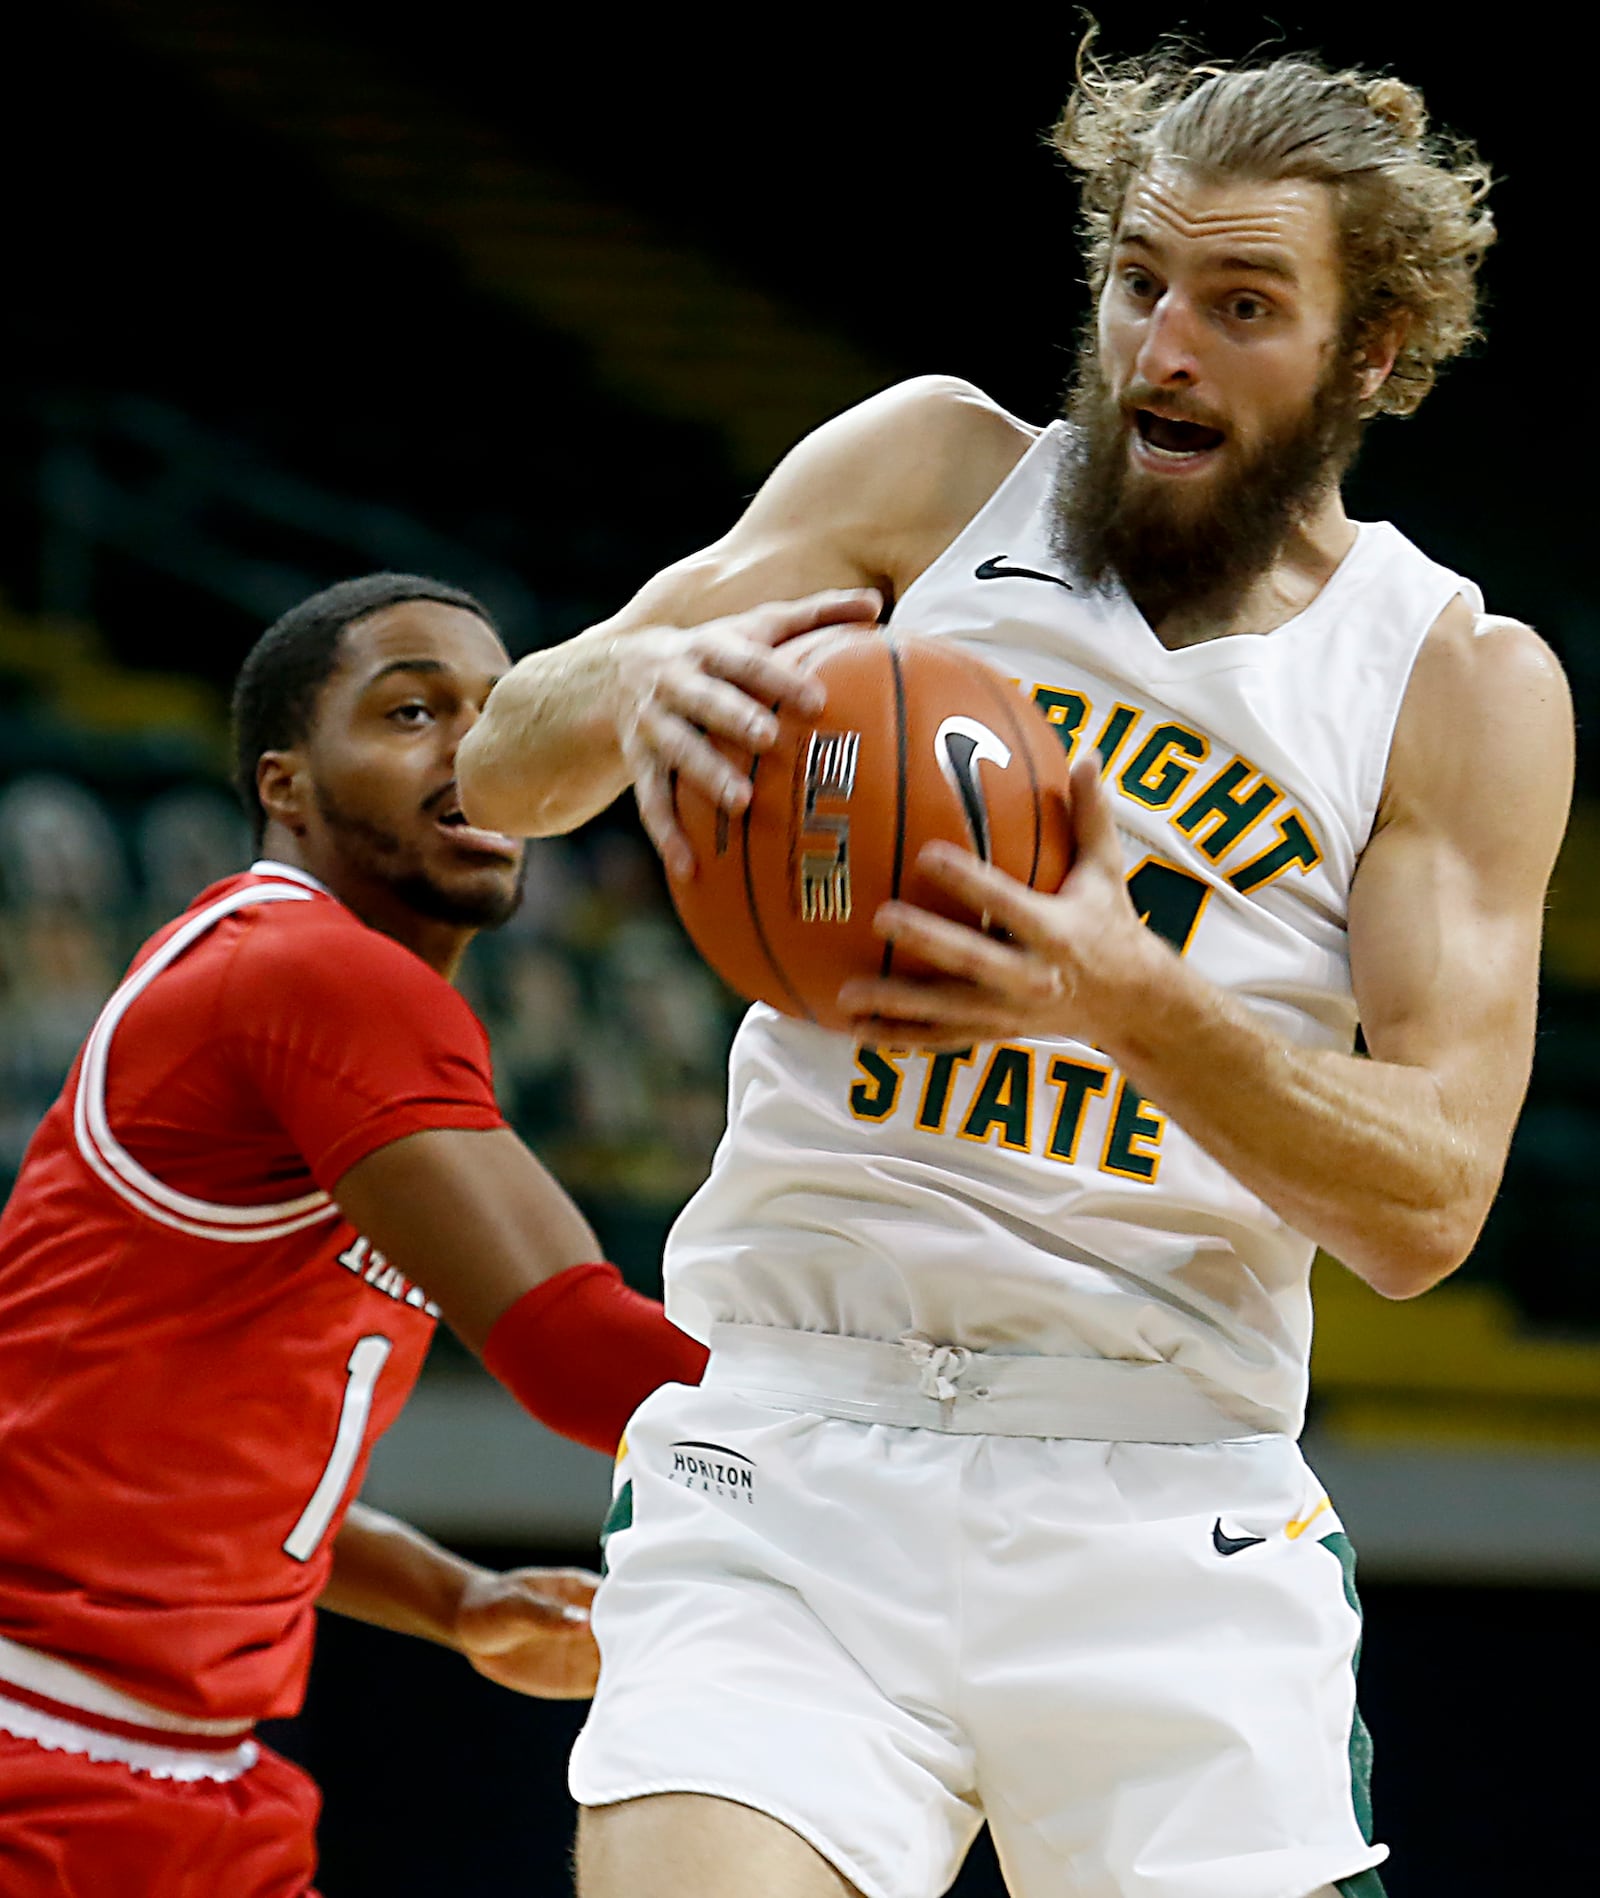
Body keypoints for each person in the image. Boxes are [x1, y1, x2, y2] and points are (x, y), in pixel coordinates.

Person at [458, 43, 1573, 1898]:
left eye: (1241, 306)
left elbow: (1432, 1196)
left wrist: (1122, 995)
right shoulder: (934, 474)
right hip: (794, 1446)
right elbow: (502, 763)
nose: (1165, 350)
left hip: (1161, 1496)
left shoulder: (1448, 679)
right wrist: (637, 687)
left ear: (1371, 355)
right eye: (1141, 281)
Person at [0, 573, 708, 1897]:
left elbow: (190, 1463)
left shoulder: (325, 1000)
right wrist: (895, 1462)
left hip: (176, 1762)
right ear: (286, 783)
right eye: (410, 710)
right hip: (47, 1752)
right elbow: (571, 1345)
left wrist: (452, 1598)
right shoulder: (312, 971)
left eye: (500, 712)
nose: (473, 747)